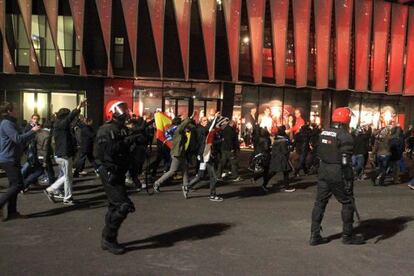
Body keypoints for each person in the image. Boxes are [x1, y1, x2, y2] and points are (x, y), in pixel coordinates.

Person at [310, 107, 365, 246]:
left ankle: (314, 235)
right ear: (346, 119)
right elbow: (346, 161)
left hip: (324, 169)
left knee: (320, 203)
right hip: (338, 171)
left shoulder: (324, 132)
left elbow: (318, 152)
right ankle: (347, 235)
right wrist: (348, 179)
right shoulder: (345, 135)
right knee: (347, 203)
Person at [95, 101, 139, 255]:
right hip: (109, 171)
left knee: (115, 206)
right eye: (120, 109)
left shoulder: (122, 129)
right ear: (111, 112)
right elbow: (110, 152)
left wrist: (137, 139)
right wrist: (129, 140)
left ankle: (107, 238)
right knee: (122, 205)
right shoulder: (105, 130)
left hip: (119, 170)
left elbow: (125, 150)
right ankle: (108, 238)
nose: (124, 112)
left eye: (124, 109)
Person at [0, 102, 40, 221]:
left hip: (12, 157)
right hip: (8, 158)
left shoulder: (11, 122)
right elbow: (18, 139)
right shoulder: (6, 123)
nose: (18, 110)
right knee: (18, 185)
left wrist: (30, 128)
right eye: (16, 108)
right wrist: (33, 131)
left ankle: (12, 212)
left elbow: (21, 136)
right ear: (9, 111)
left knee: (15, 185)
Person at [44, 99, 87, 205]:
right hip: (64, 154)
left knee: (67, 176)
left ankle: (52, 190)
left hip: (60, 154)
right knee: (68, 178)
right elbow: (70, 117)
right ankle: (67, 198)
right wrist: (78, 107)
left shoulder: (58, 124)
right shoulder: (62, 124)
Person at [185, 114, 227, 201]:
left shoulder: (205, 129)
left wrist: (219, 140)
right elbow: (207, 135)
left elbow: (210, 141)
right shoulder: (200, 129)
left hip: (205, 155)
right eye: (204, 120)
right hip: (205, 155)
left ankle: (187, 186)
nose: (206, 121)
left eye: (207, 120)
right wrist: (215, 118)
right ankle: (212, 195)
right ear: (200, 122)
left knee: (200, 175)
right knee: (213, 177)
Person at [153, 113, 196, 192]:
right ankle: (157, 183)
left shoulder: (178, 131)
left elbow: (185, 138)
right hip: (177, 153)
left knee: (185, 169)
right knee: (172, 171)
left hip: (180, 153)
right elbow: (182, 126)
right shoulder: (177, 130)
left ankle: (186, 186)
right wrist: (190, 118)